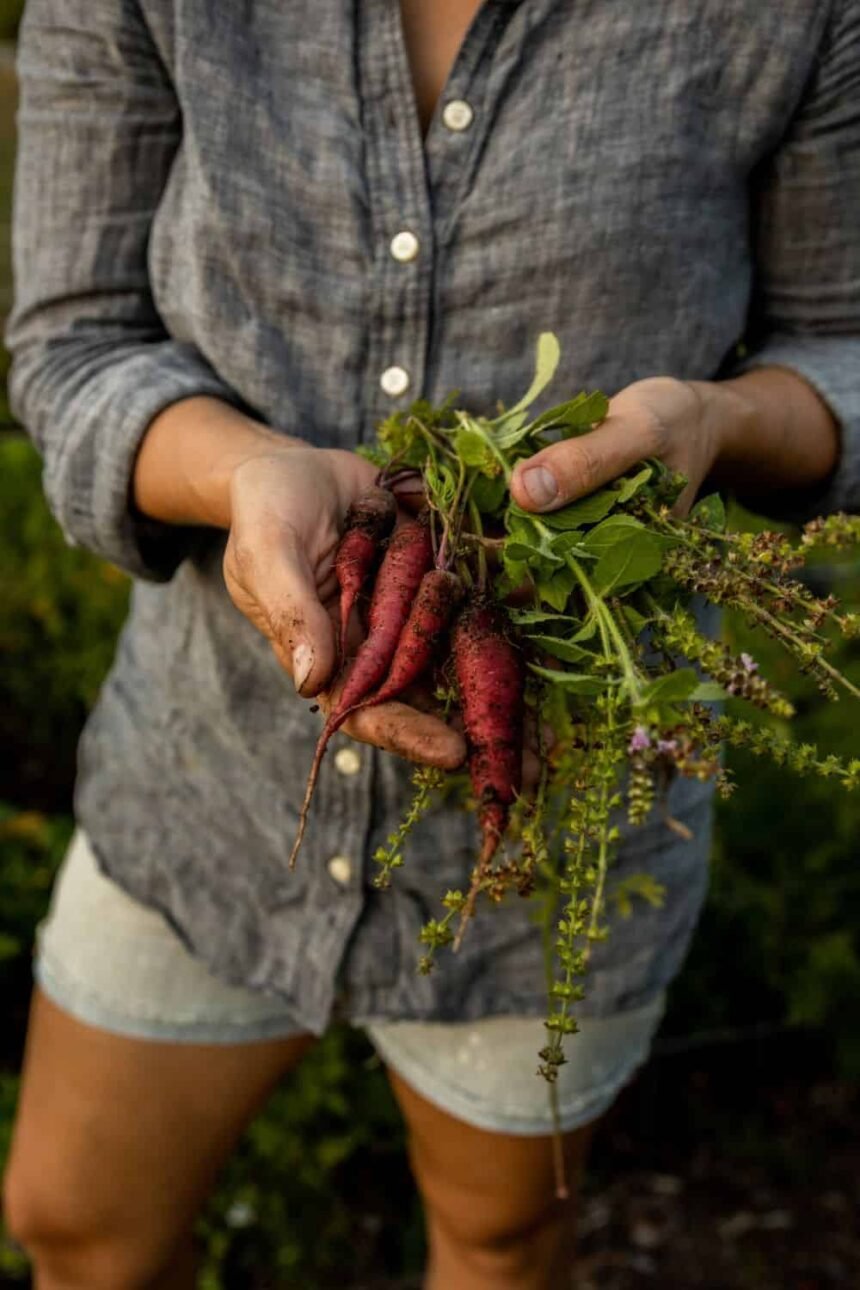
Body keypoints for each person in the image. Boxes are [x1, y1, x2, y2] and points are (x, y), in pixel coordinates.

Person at [2, 1, 858, 1286]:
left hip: (564, 836)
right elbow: (70, 346)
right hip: (205, 772)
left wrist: (714, 420)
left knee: (503, 1237)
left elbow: (840, 351)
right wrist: (249, 474)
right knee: (71, 1216)